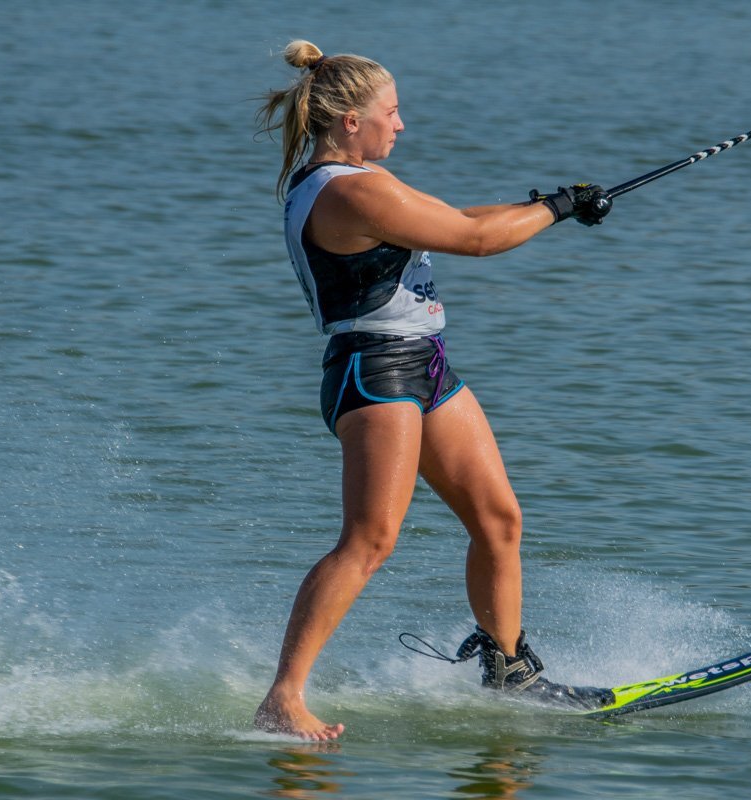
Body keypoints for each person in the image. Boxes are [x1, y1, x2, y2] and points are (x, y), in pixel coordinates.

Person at [252, 39, 612, 740]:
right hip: (375, 370)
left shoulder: (354, 180)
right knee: (370, 540)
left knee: (499, 520)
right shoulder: (352, 189)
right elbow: (476, 243)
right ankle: (283, 698)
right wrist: (560, 210)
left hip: (426, 363)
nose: (402, 124)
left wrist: (540, 203)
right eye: (392, 112)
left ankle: (510, 672)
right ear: (349, 120)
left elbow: (460, 219)